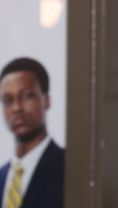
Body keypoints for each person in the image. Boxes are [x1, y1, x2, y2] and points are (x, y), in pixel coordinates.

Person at [0, 58, 64, 208]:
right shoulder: (2, 177)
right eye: (8, 100)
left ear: (47, 100)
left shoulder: (69, 169)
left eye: (27, 96)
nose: (16, 108)